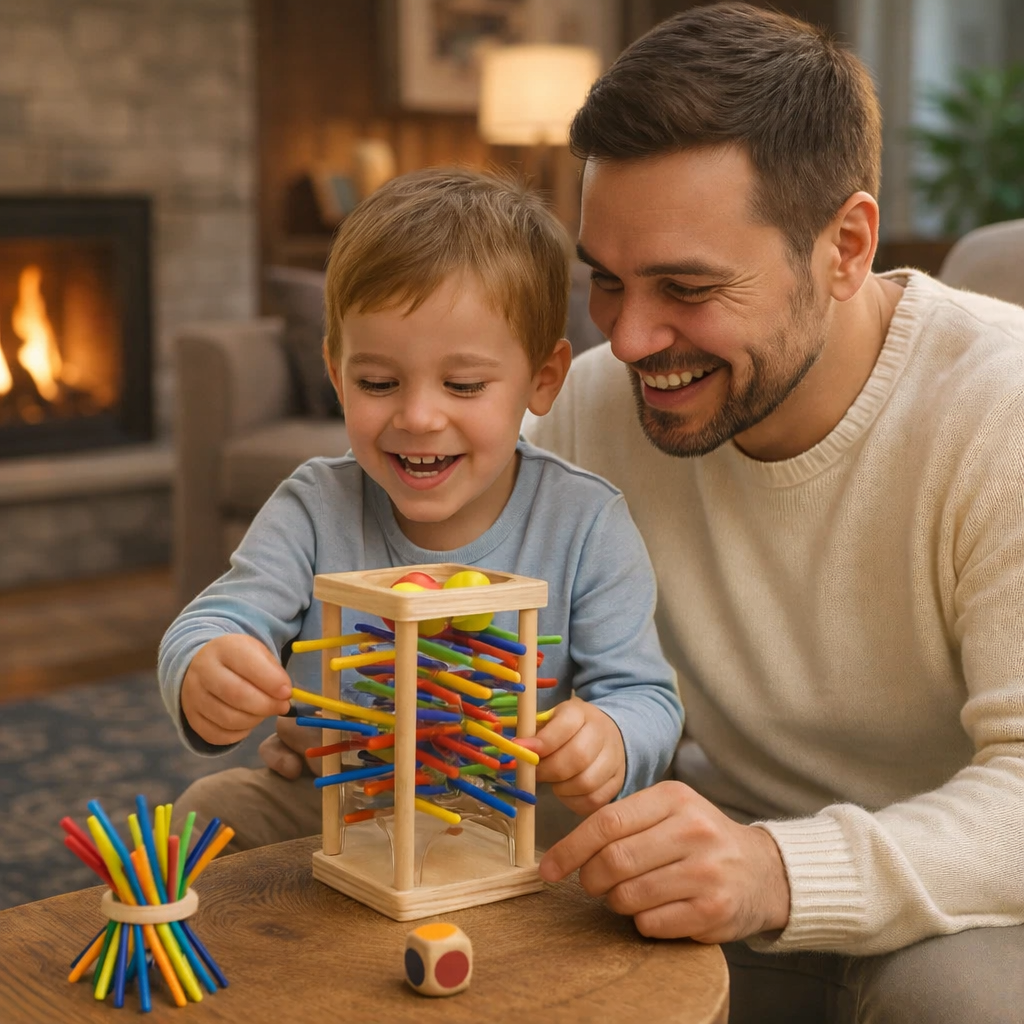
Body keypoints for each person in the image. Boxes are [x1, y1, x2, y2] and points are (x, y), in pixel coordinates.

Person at [521, 4, 1024, 1022]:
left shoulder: (999, 410)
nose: (628, 338)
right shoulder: (596, 401)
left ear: (844, 246)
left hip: (961, 894)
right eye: (606, 282)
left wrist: (772, 868)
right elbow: (480, 591)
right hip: (708, 832)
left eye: (687, 286)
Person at [158, 167, 683, 857]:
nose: (418, 416)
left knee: (622, 848)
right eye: (378, 383)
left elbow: (646, 696)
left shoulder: (585, 521)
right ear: (337, 373)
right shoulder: (315, 506)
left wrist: (609, 738)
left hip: (516, 814)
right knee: (210, 810)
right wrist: (207, 667)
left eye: (463, 384)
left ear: (543, 379)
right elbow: (215, 620)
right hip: (342, 802)